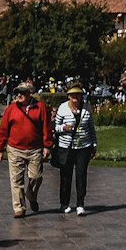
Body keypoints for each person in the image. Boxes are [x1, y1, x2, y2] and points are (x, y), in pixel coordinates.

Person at [0, 81, 52, 218]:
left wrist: (47, 145)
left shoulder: (40, 108)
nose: (19, 95)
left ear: (30, 93)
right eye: (17, 93)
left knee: (36, 177)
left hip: (35, 149)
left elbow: (47, 128)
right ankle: (19, 207)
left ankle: (31, 195)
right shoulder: (12, 109)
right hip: (15, 148)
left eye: (22, 92)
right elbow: (3, 129)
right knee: (16, 180)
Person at [53, 82, 97, 215]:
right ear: (68, 96)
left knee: (81, 174)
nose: (75, 97)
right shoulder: (63, 108)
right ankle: (64, 203)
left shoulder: (86, 108)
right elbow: (55, 127)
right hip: (66, 146)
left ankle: (80, 204)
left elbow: (91, 127)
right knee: (65, 176)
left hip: (84, 146)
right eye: (73, 95)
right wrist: (64, 128)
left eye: (78, 94)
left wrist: (94, 144)